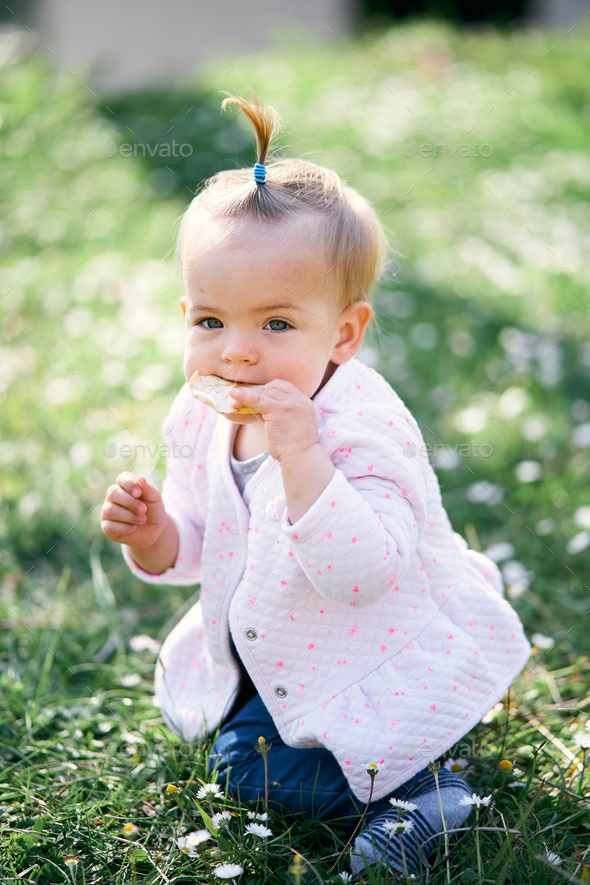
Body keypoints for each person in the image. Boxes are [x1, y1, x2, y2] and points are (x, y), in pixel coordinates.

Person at [100, 88, 531, 878]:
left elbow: (362, 578)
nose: (236, 352)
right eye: (209, 321)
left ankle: (429, 792)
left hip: (370, 647)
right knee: (214, 720)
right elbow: (204, 549)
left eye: (276, 324)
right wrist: (157, 534)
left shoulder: (360, 430)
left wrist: (303, 458)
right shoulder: (200, 416)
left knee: (248, 768)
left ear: (344, 333)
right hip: (278, 637)